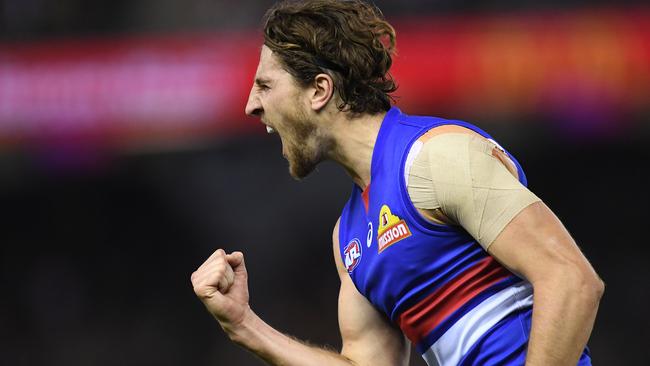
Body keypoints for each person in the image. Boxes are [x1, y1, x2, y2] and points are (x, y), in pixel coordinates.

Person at [190, 1, 604, 365]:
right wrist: (245, 327)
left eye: (265, 85)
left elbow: (571, 279)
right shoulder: (349, 238)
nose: (250, 106)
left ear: (319, 90)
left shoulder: (438, 158)